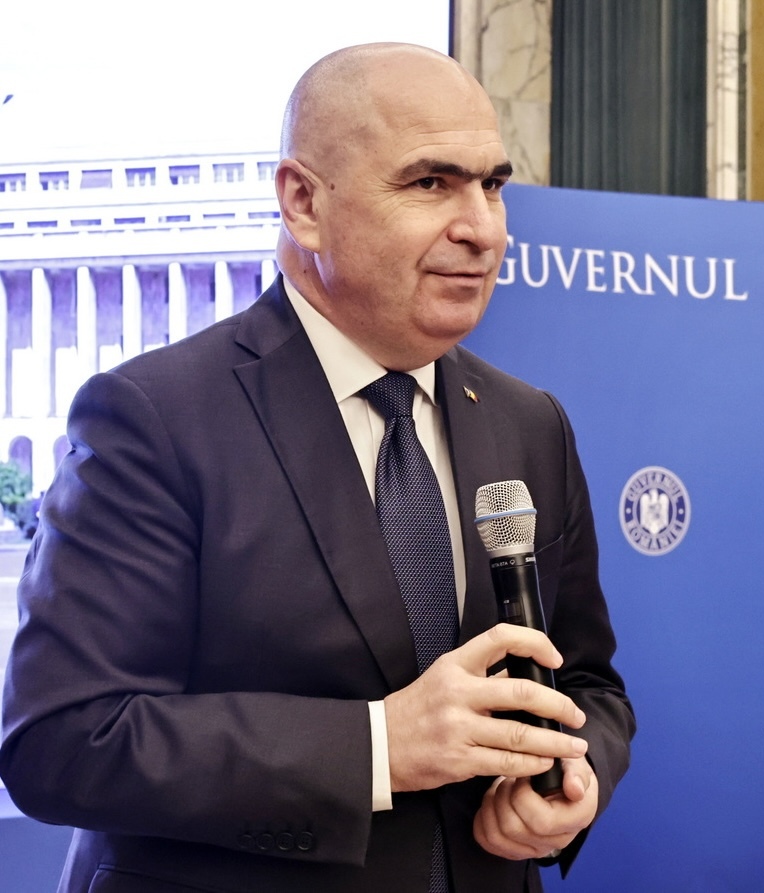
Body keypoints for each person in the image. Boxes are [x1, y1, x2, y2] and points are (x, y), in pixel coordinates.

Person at [0, 43, 634, 893]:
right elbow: (63, 740)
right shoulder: (152, 418)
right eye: (430, 183)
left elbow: (588, 683)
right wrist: (379, 746)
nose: (482, 228)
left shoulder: (530, 423)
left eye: (491, 185)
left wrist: (571, 775)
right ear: (303, 202)